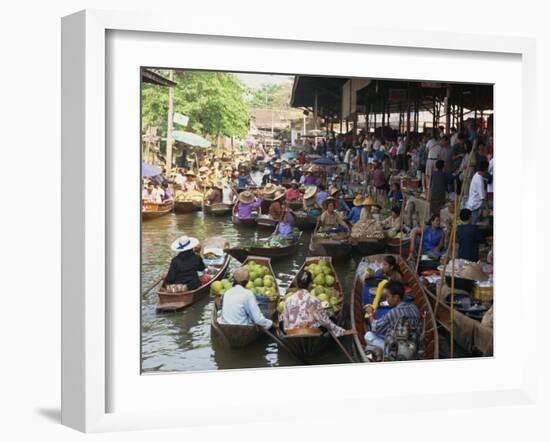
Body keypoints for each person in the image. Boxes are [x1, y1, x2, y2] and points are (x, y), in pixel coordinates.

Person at [281, 271, 355, 336]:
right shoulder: (314, 300)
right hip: (310, 331)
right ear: (310, 284)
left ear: (297, 284)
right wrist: (342, 331)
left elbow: (284, 319)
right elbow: (324, 321)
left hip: (291, 332)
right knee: (327, 316)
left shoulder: (288, 300)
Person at [364, 280, 421, 351]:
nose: (387, 300)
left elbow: (375, 327)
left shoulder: (393, 313)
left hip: (399, 349)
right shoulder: (413, 306)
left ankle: (387, 353)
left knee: (368, 335)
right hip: (414, 344)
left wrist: (370, 313)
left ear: (396, 297)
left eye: (388, 297)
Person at [466, 159, 489, 224]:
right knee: (490, 205)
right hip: (475, 204)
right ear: (486, 169)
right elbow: (483, 198)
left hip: (473, 202)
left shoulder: (477, 174)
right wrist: (487, 210)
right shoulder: (479, 180)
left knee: (473, 222)